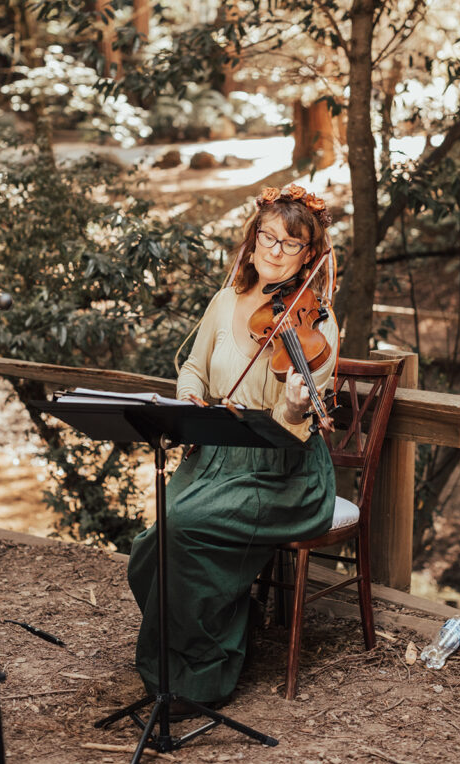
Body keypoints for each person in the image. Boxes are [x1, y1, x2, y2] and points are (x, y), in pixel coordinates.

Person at [127, 184, 339, 712]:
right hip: (213, 454)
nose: (273, 250)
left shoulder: (319, 325)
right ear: (253, 238)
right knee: (150, 546)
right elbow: (194, 367)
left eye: (290, 244)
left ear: (309, 255)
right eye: (267, 236)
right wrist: (189, 396)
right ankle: (185, 646)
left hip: (281, 470)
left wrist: (292, 406)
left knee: (185, 534)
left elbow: (295, 425)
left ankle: (201, 675)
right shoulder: (225, 300)